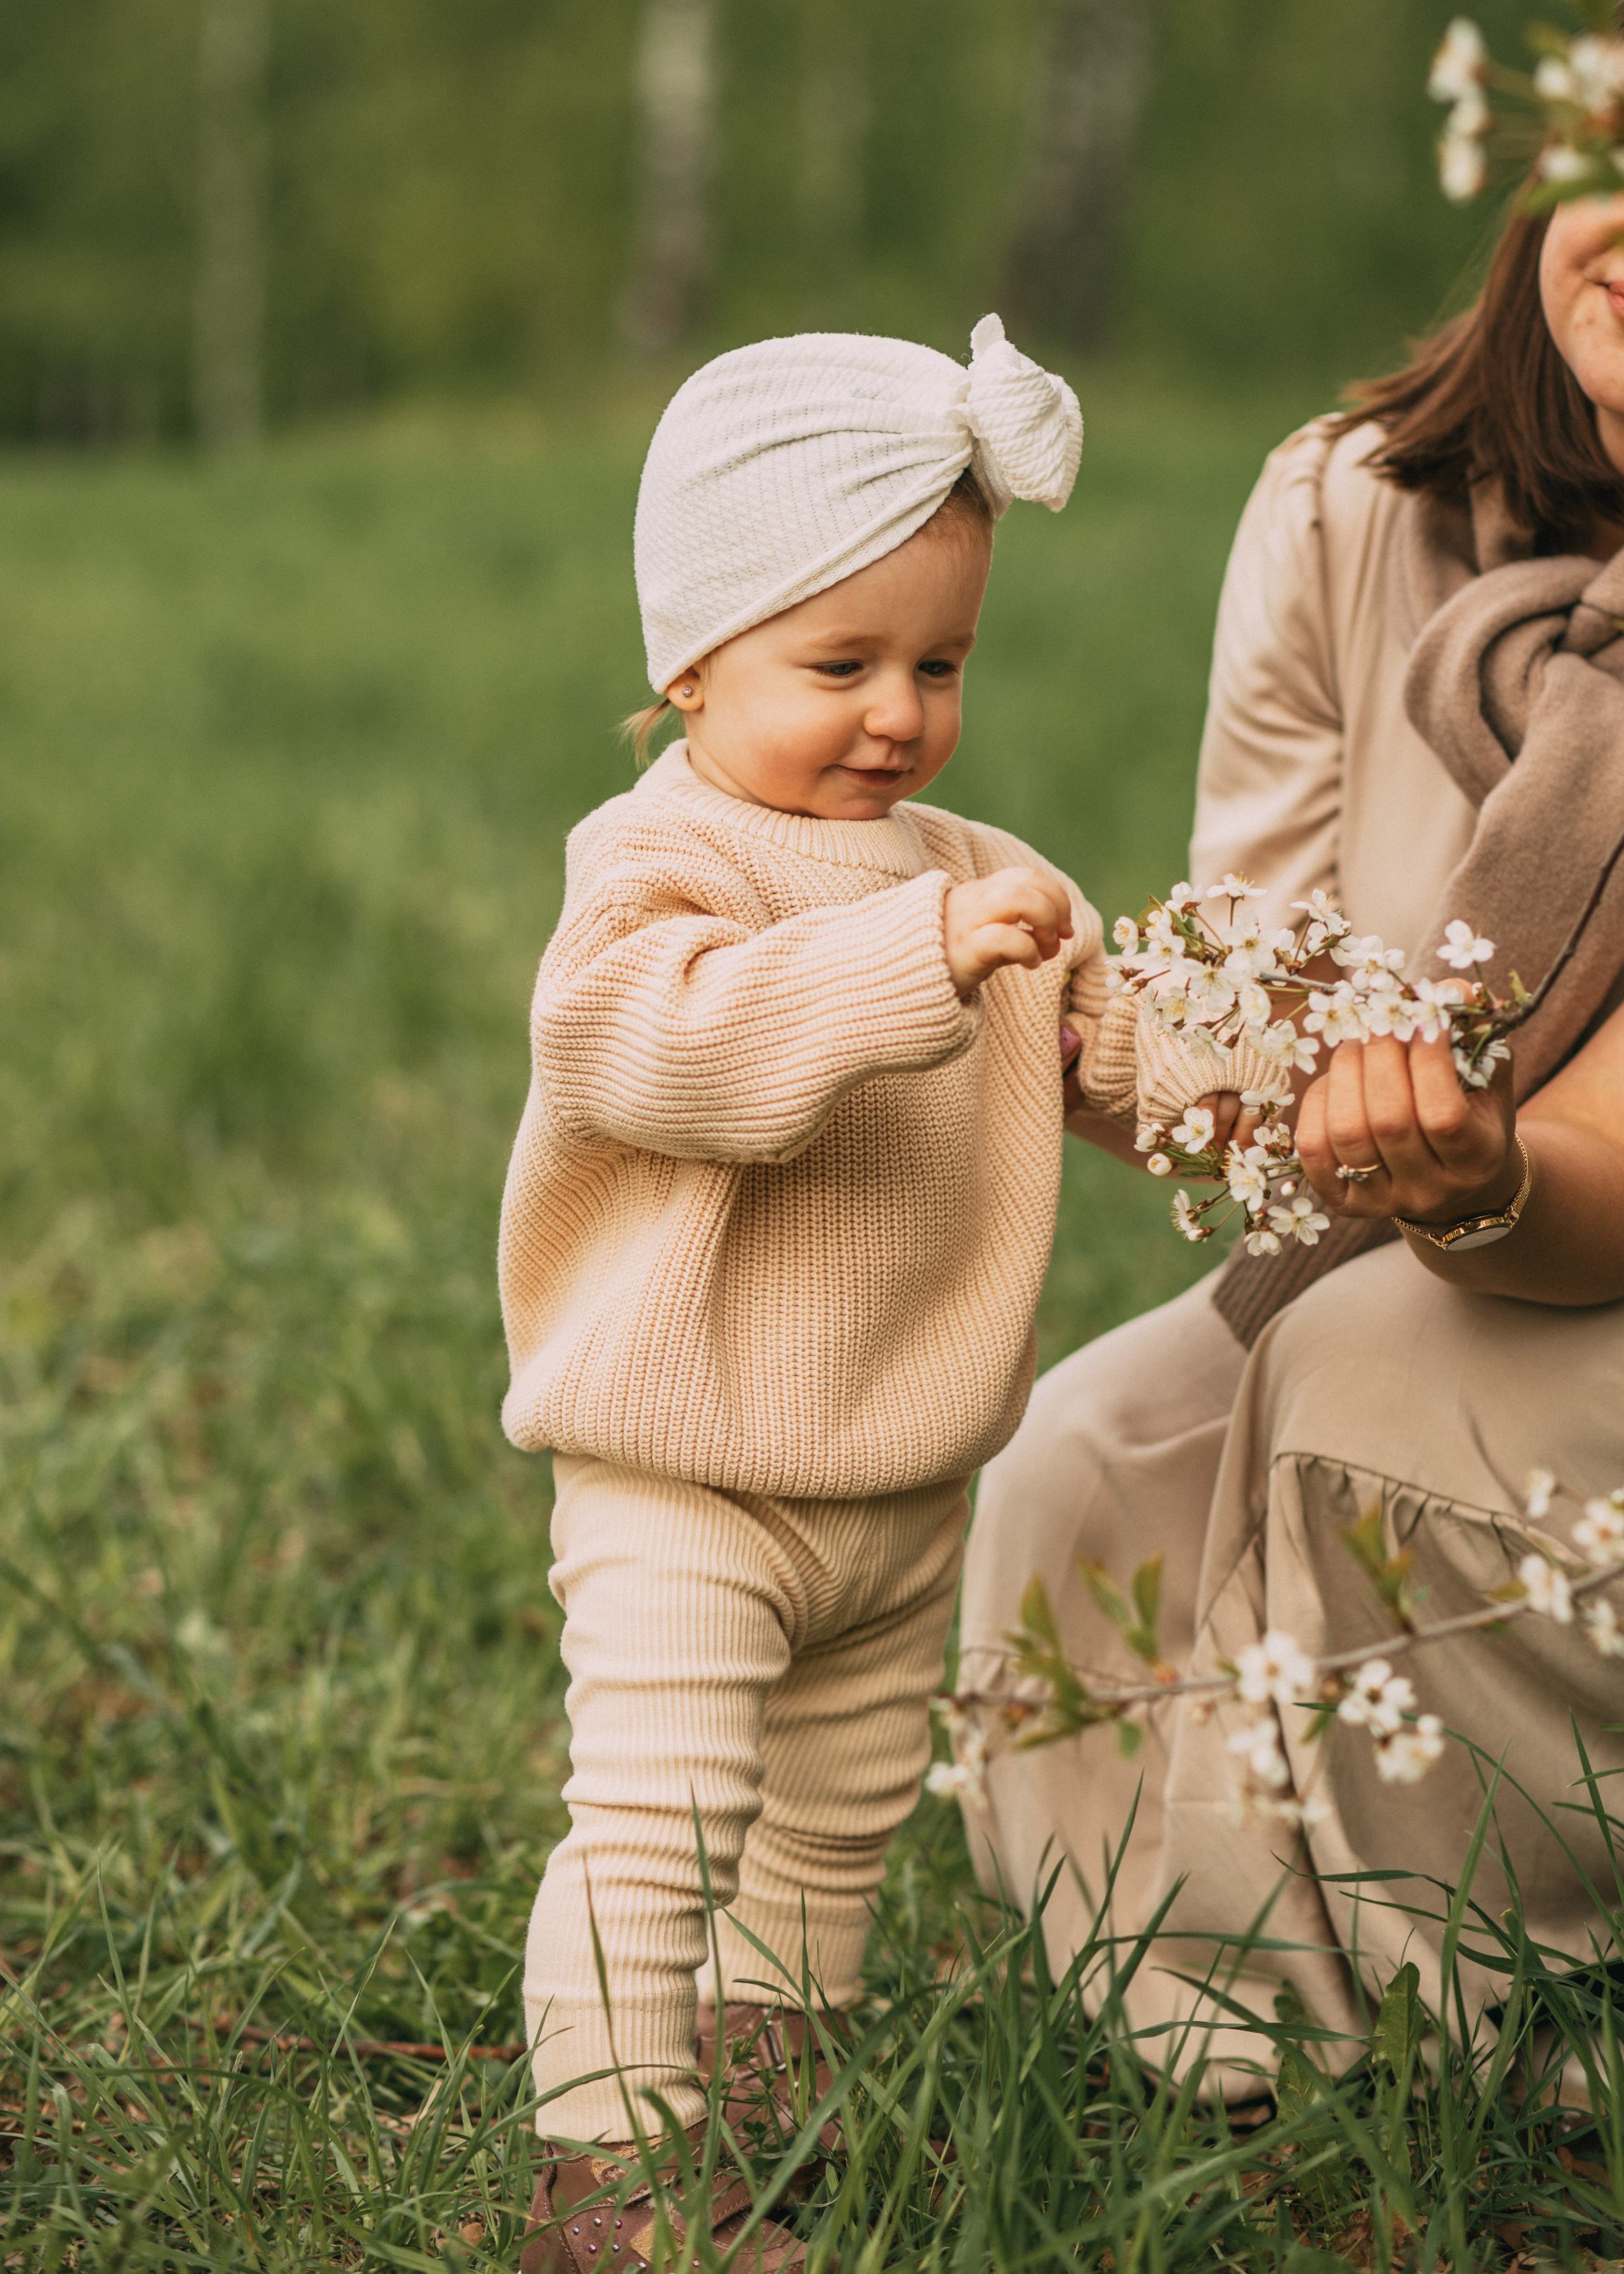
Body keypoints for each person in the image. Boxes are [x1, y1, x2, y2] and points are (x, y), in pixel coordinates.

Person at [499, 318, 1271, 2270]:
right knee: (661, 1818)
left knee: (832, 1827)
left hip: (899, 1462)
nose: (896, 715)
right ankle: (616, 2171)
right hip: (685, 1461)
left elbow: (1117, 1070)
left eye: (941, 665)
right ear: (689, 656)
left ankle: (772, 2083)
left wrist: (1265, 1101)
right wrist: (912, 961)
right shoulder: (659, 862)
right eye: (835, 665)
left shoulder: (979, 870)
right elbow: (655, 1050)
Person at [960, 186, 1624, 2091]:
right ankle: (1245, 2044)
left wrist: (1485, 1180)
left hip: (1562, 1226)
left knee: (1361, 1387)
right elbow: (1257, 984)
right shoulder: (1352, 506)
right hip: (1415, 1215)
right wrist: (1007, 1013)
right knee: (1078, 1465)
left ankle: (1517, 2031)